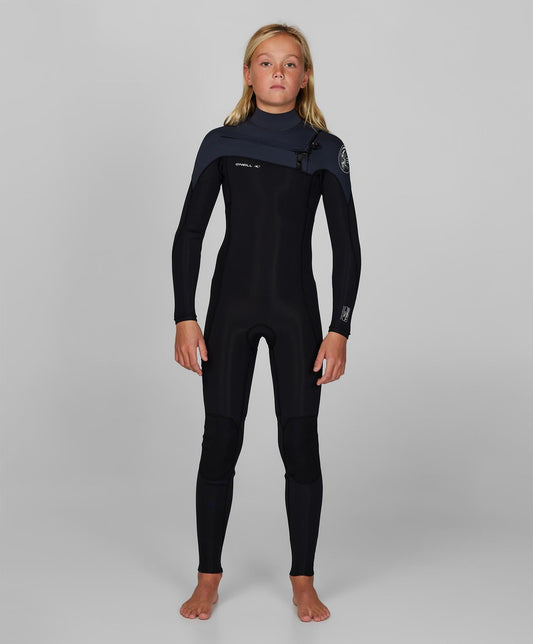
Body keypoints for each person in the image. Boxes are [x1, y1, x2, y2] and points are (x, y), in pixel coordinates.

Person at [172, 22, 362, 622]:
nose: (277, 71)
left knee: (299, 444)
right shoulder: (220, 143)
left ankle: (303, 580)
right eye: (265, 61)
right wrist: (184, 315)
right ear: (248, 73)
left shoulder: (324, 148)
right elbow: (191, 233)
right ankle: (207, 577)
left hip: (296, 313)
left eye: (290, 63)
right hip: (229, 310)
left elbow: (347, 245)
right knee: (220, 441)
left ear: (304, 77)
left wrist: (340, 327)